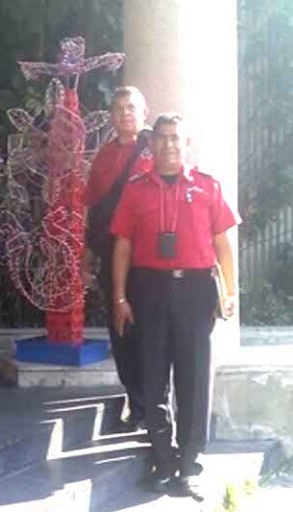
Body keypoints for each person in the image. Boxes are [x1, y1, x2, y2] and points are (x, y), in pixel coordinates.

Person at [110, 114, 238, 495]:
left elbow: (223, 243)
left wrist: (230, 292)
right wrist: (119, 296)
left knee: (194, 376)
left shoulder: (206, 187)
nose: (168, 145)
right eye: (162, 138)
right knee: (153, 376)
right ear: (152, 144)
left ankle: (189, 463)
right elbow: (122, 246)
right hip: (148, 289)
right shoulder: (135, 189)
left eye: (175, 138)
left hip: (196, 290)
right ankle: (162, 459)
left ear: (187, 144)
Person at [84, 86, 152, 430]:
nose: (125, 113)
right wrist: (87, 254)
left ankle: (155, 403)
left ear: (144, 112)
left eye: (131, 107)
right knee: (121, 327)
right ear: (111, 116)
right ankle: (136, 400)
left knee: (151, 329)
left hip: (150, 256)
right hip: (112, 253)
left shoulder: (158, 150)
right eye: (119, 108)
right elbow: (93, 207)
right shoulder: (103, 156)